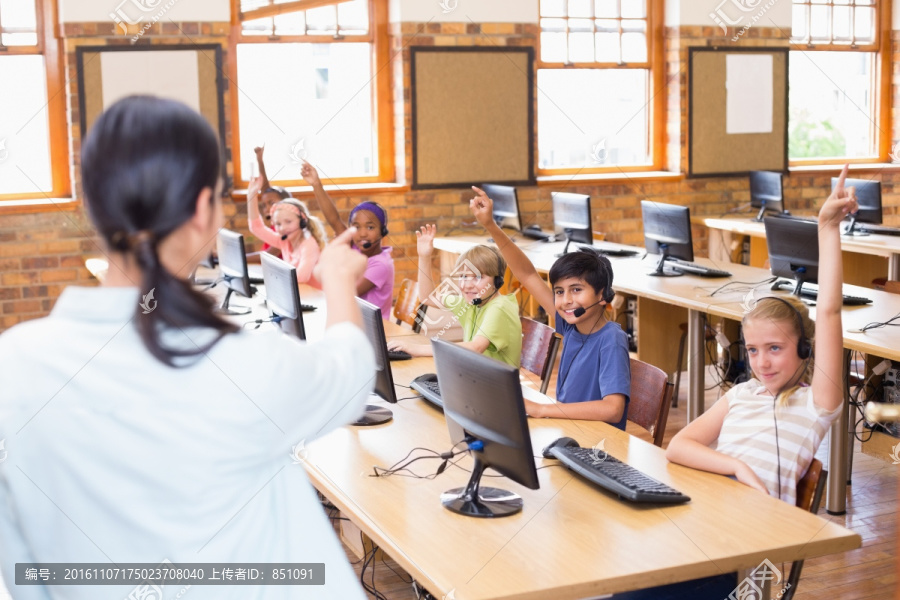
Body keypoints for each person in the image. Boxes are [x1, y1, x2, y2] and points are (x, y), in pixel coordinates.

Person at [0, 96, 374, 600]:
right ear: (203, 210)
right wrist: (337, 282)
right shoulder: (241, 365)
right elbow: (349, 372)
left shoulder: (14, 366)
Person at [665, 165, 855, 505]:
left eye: (775, 348)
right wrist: (736, 466)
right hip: (714, 514)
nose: (762, 363)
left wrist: (827, 228)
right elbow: (678, 446)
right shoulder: (742, 394)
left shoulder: (816, 404)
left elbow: (829, 310)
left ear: (805, 347)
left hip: (755, 534)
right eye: (752, 350)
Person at [470, 186, 630, 428]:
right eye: (559, 292)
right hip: (570, 428)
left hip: (600, 443)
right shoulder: (570, 325)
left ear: (603, 295)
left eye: (577, 290)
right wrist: (491, 226)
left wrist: (542, 409)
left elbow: (613, 409)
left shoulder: (611, 339)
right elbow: (526, 273)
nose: (566, 300)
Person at [387, 224, 522, 367]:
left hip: (497, 387)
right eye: (463, 276)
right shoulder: (472, 302)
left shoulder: (499, 307)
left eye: (478, 277)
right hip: (474, 377)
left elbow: (476, 347)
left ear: (497, 281)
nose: (468, 284)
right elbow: (427, 298)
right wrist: (424, 256)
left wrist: (417, 348)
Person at [301, 161, 394, 318]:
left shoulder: (381, 264)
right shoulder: (357, 247)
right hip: (353, 319)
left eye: (370, 227)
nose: (362, 234)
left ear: (382, 231)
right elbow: (334, 220)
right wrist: (316, 184)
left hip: (375, 329)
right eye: (356, 227)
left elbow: (350, 291)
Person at [248, 181, 327, 288]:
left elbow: (300, 277)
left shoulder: (309, 244)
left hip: (317, 297)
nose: (283, 228)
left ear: (302, 220)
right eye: (278, 224)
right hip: (300, 293)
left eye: (288, 222)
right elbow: (257, 228)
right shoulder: (284, 241)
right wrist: (251, 195)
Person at [252, 144, 291, 254]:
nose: (267, 208)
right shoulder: (276, 224)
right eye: (264, 205)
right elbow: (266, 192)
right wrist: (259, 160)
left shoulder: (288, 229)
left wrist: (240, 257)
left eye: (272, 203)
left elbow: (267, 255)